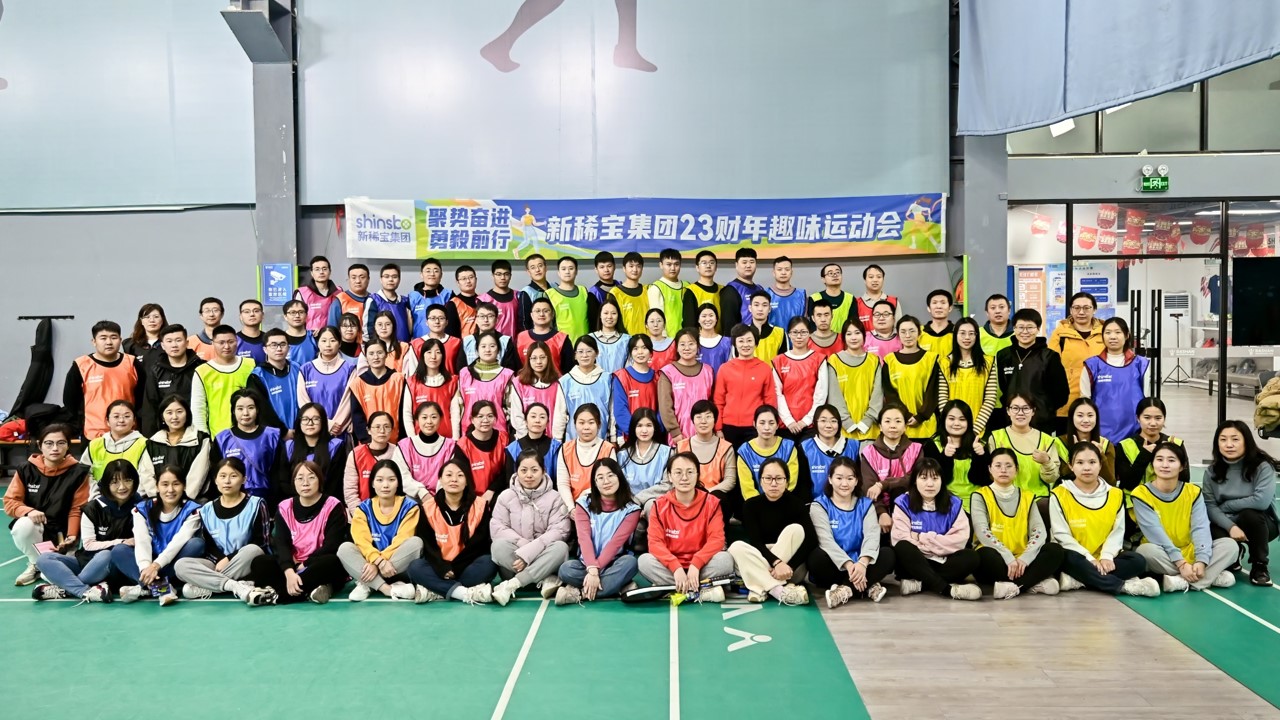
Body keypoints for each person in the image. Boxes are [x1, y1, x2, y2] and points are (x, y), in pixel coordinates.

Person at [1050, 442, 1160, 596]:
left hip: (1105, 557)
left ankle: (1078, 580)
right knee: (1066, 558)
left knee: (1137, 561)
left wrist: (1106, 556)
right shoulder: (1059, 494)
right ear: (1070, 466)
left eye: (1092, 462)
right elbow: (1061, 535)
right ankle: (1122, 586)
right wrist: (1089, 559)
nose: (1087, 468)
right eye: (1080, 463)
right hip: (1077, 556)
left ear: (1100, 464)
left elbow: (1117, 531)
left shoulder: (1115, 494)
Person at [1133, 442, 1238, 592]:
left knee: (1230, 545)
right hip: (1161, 551)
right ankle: (1208, 577)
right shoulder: (1141, 494)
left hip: (1190, 549)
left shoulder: (1193, 492)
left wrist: (1202, 560)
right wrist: (1181, 563)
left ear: (1182, 466)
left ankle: (1182, 581)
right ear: (1152, 464)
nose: (1165, 465)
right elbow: (1155, 533)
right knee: (1145, 551)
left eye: (1171, 460)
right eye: (1159, 459)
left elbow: (1200, 528)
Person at [31, 459, 140, 602]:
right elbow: (88, 545)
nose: (122, 487)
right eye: (115, 482)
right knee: (44, 559)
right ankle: (85, 591)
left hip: (116, 567)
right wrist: (121, 541)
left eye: (127, 480)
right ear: (106, 484)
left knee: (107, 554)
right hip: (87, 562)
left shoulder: (141, 506)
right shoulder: (92, 508)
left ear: (135, 481)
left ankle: (66, 589)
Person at [173, 458, 275, 604]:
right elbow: (209, 545)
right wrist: (220, 560)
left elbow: (262, 543)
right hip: (217, 564)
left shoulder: (256, 504)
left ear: (244, 479)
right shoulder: (206, 509)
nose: (227, 481)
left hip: (245, 562)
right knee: (181, 565)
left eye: (233, 476)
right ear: (216, 480)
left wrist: (228, 559)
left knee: (253, 550)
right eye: (222, 476)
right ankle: (234, 586)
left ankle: (208, 586)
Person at [246, 461, 349, 605]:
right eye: (300, 478)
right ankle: (310, 589)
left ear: (320, 480)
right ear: (294, 482)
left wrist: (304, 564)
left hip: (317, 562)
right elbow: (281, 543)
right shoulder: (284, 507)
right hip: (292, 564)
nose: (305, 483)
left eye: (311, 477)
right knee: (260, 563)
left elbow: (332, 544)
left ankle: (278, 595)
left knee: (332, 563)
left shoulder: (333, 505)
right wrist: (289, 570)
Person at [638, 452, 733, 603]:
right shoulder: (659, 505)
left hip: (702, 565)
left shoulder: (712, 503)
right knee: (644, 561)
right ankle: (700, 589)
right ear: (669, 476)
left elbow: (717, 539)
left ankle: (673, 588)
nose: (684, 478)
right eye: (678, 472)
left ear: (697, 475)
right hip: (671, 567)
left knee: (725, 560)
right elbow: (655, 543)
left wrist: (696, 564)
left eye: (690, 472)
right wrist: (675, 567)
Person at [971, 448, 1065, 599]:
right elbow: (982, 531)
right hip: (997, 558)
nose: (1003, 470)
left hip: (1022, 560)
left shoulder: (1027, 496)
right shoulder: (979, 495)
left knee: (1055, 550)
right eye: (998, 465)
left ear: (1016, 469)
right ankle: (1031, 583)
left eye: (1009, 466)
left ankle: (1013, 587)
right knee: (984, 555)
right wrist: (1008, 556)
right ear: (989, 469)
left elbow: (1039, 531)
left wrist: (1025, 558)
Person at [5, 424, 91, 587]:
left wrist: (71, 537)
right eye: (49, 443)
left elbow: (77, 509)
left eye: (61, 443)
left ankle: (47, 567)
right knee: (23, 525)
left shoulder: (79, 472)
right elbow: (10, 502)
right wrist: (28, 511)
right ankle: (36, 563)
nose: (55, 448)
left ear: (68, 445)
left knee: (52, 577)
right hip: (38, 529)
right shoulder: (26, 469)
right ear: (40, 445)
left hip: (62, 536)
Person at [406, 458, 498, 604]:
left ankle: (438, 590)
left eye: (460, 475)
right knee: (415, 567)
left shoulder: (480, 505)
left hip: (467, 566)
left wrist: (455, 568)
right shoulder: (429, 507)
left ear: (467, 481)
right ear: (440, 480)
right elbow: (428, 546)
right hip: (440, 567)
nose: (454, 479)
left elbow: (480, 545)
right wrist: (442, 567)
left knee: (489, 563)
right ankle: (464, 593)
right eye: (448, 475)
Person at [890, 458, 982, 600]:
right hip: (917, 561)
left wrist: (921, 537)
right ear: (915, 481)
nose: (930, 484)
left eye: (935, 478)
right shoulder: (903, 502)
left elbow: (959, 540)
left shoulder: (954, 503)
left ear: (942, 481)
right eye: (924, 478)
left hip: (945, 560)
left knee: (972, 556)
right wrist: (936, 545)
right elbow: (900, 537)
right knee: (903, 547)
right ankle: (948, 590)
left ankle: (920, 585)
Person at [807, 456, 894, 607]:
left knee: (889, 554)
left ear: (856, 480)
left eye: (850, 478)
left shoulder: (866, 505)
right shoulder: (819, 505)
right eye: (839, 478)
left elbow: (872, 536)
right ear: (830, 479)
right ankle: (867, 585)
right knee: (815, 557)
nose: (844, 483)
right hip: (835, 565)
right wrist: (848, 565)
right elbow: (825, 541)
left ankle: (845, 590)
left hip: (862, 564)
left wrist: (863, 563)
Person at [489, 449, 572, 605]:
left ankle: (514, 584)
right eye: (524, 470)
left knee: (561, 548)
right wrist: (525, 550)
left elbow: (559, 531)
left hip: (541, 554)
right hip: (517, 560)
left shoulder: (555, 497)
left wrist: (530, 553)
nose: (529, 475)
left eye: (534, 470)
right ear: (517, 471)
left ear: (543, 470)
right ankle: (544, 577)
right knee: (497, 546)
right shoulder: (506, 496)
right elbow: (498, 528)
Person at [112, 465, 204, 605]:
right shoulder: (142, 509)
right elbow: (142, 541)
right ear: (157, 487)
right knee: (119, 550)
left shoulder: (192, 510)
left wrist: (155, 567)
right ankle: (161, 587)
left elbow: (179, 542)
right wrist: (146, 568)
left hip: (172, 563)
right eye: (165, 484)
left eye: (176, 484)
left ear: (184, 486)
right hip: (149, 562)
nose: (170, 490)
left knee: (196, 544)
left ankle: (146, 587)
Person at [729, 457, 815, 605]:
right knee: (736, 547)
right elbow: (756, 542)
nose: (773, 483)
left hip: (790, 569)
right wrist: (776, 562)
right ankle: (778, 590)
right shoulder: (750, 506)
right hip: (763, 556)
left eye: (779, 479)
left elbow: (811, 540)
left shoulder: (797, 504)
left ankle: (758, 588)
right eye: (768, 478)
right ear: (761, 481)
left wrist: (787, 566)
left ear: (787, 481)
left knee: (795, 529)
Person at [1203, 420, 1279, 586]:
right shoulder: (1211, 471)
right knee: (1206, 524)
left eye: (1235, 439)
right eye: (1223, 439)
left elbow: (1260, 502)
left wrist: (1227, 507)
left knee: (1250, 515)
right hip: (1227, 521)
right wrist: (1231, 526)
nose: (1229, 444)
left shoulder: (1263, 467)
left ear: (1246, 441)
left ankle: (1259, 565)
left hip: (1261, 524)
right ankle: (1234, 554)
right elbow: (1210, 506)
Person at [337, 460, 425, 601]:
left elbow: (402, 540)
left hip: (397, 567)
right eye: (379, 480)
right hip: (372, 563)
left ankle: (367, 583)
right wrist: (378, 561)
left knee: (416, 543)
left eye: (391, 480)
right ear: (372, 483)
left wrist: (377, 564)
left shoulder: (410, 507)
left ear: (398, 482)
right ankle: (385, 588)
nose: (385, 485)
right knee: (344, 548)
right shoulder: (363, 509)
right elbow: (362, 542)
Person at [557, 457, 641, 604]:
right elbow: (584, 538)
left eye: (610, 475)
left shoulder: (632, 510)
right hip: (586, 564)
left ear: (619, 477)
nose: (606, 481)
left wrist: (595, 572)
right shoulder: (583, 504)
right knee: (566, 570)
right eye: (600, 478)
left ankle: (579, 594)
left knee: (631, 563)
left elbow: (615, 543)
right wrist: (592, 569)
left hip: (615, 562)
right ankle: (616, 585)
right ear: (594, 483)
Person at [988, 393, 1064, 517]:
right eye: (1015, 408)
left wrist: (1046, 462)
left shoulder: (1047, 440)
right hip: (1005, 498)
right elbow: (990, 476)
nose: (1020, 413)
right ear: (1008, 411)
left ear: (1033, 411)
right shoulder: (996, 438)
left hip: (1038, 499)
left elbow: (1052, 479)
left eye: (1025, 408)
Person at [993, 309, 1068, 433]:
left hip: (1041, 422)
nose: (1025, 332)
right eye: (1020, 327)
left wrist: (1044, 409)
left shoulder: (1050, 356)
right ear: (1014, 328)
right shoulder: (1004, 355)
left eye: (1030, 327)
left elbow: (1061, 394)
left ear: (1038, 329)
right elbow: (1004, 387)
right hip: (1011, 421)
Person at [64, 320, 140, 440]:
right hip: (93, 434)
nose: (109, 342)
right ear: (94, 341)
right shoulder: (81, 365)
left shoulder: (132, 363)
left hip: (128, 433)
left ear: (120, 340)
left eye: (113, 337)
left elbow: (142, 398)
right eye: (103, 338)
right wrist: (82, 422)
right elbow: (70, 400)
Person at [1081, 317, 1150, 443]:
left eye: (1118, 332)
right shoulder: (1092, 365)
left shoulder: (1141, 364)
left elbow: (1147, 401)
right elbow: (1084, 401)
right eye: (1108, 333)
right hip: (1101, 434)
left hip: (1134, 433)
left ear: (1127, 335)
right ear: (1102, 336)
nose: (1113, 337)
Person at [859, 404, 922, 534]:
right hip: (877, 509)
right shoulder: (869, 452)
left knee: (899, 491)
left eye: (898, 421)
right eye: (887, 421)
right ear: (880, 427)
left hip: (910, 508)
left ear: (905, 426)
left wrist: (883, 484)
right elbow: (868, 488)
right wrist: (881, 512)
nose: (893, 426)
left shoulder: (916, 449)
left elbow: (916, 480)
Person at [210, 389, 282, 501]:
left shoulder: (272, 436)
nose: (245, 413)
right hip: (232, 499)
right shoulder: (222, 439)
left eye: (250, 407)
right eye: (240, 408)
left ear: (257, 410)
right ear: (233, 411)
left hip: (266, 498)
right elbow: (215, 474)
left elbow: (279, 473)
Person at [1049, 292, 1105, 434]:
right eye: (1077, 308)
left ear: (1094, 310)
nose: (1081, 312)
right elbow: (1051, 367)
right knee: (1066, 442)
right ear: (1070, 310)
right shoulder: (1060, 334)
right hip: (1067, 402)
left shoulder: (1105, 333)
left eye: (1086, 308)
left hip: (1100, 401)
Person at [191, 325, 257, 438]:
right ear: (213, 343)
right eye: (221, 343)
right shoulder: (202, 371)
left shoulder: (251, 365)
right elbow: (198, 408)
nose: (226, 346)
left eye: (231, 342)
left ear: (237, 341)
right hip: (219, 436)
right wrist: (203, 437)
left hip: (251, 434)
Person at [713, 325, 773, 448]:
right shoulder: (725, 369)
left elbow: (770, 401)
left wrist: (768, 425)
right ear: (735, 343)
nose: (745, 345)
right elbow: (718, 400)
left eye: (749, 340)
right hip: (728, 426)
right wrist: (718, 428)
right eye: (741, 341)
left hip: (755, 427)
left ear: (756, 343)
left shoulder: (765, 369)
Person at [922, 400, 988, 512]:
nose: (956, 423)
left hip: (976, 501)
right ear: (944, 420)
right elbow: (936, 481)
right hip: (944, 501)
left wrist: (980, 456)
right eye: (951, 419)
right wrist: (946, 457)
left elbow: (980, 480)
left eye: (962, 419)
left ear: (969, 422)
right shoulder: (932, 445)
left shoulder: (978, 445)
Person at [676, 401, 738, 518]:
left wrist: (708, 492)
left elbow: (730, 480)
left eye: (708, 417)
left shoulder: (726, 447)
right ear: (693, 420)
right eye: (699, 417)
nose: (703, 421)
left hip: (715, 496)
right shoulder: (681, 446)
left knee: (719, 498)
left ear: (715, 420)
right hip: (688, 494)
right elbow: (674, 476)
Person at [937, 318, 998, 437]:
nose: (967, 337)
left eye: (971, 333)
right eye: (962, 333)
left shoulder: (988, 362)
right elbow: (942, 398)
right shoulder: (944, 363)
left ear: (977, 336)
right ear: (955, 335)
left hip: (977, 431)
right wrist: (952, 425)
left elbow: (990, 399)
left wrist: (974, 430)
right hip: (951, 431)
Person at [336, 340, 406, 442]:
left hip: (397, 441)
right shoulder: (358, 384)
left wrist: (402, 440)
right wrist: (368, 441)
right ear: (366, 357)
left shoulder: (399, 379)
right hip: (369, 443)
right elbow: (357, 417)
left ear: (386, 354)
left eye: (379, 353)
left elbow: (404, 411)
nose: (376, 357)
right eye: (371, 353)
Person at [140, 323, 204, 436]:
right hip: (167, 432)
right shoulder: (156, 371)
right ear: (163, 345)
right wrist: (150, 438)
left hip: (197, 430)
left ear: (187, 343)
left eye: (178, 340)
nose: (174, 345)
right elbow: (150, 408)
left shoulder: (201, 368)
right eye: (169, 341)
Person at [1116, 398, 1186, 500]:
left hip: (1168, 502)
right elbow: (1128, 484)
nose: (1153, 423)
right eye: (1147, 418)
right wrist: (1144, 455)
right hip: (1134, 503)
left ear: (1164, 418)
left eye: (1158, 418)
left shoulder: (1175, 444)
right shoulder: (1124, 445)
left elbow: (1184, 481)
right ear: (1138, 418)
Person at [145, 395, 212, 500]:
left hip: (191, 502)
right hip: (159, 502)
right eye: (169, 413)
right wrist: (160, 499)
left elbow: (198, 476)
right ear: (162, 416)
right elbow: (147, 476)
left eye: (179, 412)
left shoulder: (201, 440)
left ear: (187, 414)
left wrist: (184, 500)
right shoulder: (152, 443)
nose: (175, 417)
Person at [826, 317, 884, 441]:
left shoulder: (874, 360)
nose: (853, 337)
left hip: (870, 429)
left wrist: (867, 421)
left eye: (857, 333)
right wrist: (847, 422)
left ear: (864, 335)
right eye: (849, 334)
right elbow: (834, 396)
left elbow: (878, 394)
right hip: (843, 430)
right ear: (844, 337)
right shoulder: (834, 361)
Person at [882, 316, 940, 439]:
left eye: (912, 331)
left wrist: (921, 416)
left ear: (919, 333)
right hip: (900, 424)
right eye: (903, 332)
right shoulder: (889, 360)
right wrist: (905, 415)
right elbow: (890, 394)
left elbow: (933, 392)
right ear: (898, 334)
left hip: (927, 425)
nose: (908, 335)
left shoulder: (931, 359)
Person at [345, 411, 414, 513]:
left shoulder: (399, 452)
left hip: (395, 512)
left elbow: (405, 485)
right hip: (363, 511)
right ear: (368, 430)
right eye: (377, 427)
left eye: (386, 427)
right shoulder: (356, 454)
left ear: (392, 430)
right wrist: (361, 514)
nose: (382, 431)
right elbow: (350, 491)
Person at [451, 330, 515, 437]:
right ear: (477, 350)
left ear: (499, 350)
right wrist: (456, 436)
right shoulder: (465, 373)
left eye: (492, 346)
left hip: (498, 434)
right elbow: (458, 408)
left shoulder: (507, 375)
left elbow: (512, 409)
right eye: (483, 346)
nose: (488, 350)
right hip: (468, 433)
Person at [772, 317, 828, 439]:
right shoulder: (778, 361)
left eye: (803, 332)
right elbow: (777, 394)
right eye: (795, 332)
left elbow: (821, 395)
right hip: (785, 425)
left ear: (810, 334)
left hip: (811, 425)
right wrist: (789, 421)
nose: (799, 336)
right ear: (789, 334)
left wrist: (806, 421)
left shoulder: (819, 359)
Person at [555, 404, 617, 510]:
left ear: (599, 424)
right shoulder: (565, 449)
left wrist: (584, 498)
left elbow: (610, 482)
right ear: (574, 424)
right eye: (581, 423)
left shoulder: (608, 449)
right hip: (572, 506)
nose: (586, 427)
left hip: (600, 506)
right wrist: (571, 508)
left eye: (591, 422)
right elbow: (563, 483)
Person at [81, 400, 153, 492]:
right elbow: (84, 474)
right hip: (99, 496)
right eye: (116, 416)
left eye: (127, 416)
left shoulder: (144, 444)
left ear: (134, 421)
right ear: (107, 421)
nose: (121, 420)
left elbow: (146, 477)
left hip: (133, 497)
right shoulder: (95, 445)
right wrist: (96, 495)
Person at [280, 403, 348, 499]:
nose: (310, 423)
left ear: (323, 421)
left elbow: (336, 482)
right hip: (295, 501)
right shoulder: (290, 446)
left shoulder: (335, 446)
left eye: (315, 419)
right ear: (299, 422)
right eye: (305, 419)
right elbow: (283, 480)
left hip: (326, 501)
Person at [658, 329, 714, 445]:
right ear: (677, 348)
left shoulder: (708, 371)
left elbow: (713, 402)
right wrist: (675, 432)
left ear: (697, 346)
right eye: (682, 344)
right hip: (679, 436)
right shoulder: (668, 372)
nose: (687, 348)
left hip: (705, 434)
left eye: (691, 344)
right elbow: (665, 406)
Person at [553, 336, 613, 441]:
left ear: (597, 353)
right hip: (573, 441)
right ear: (575, 355)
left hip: (602, 440)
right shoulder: (565, 382)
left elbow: (612, 412)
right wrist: (557, 440)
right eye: (580, 352)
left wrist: (613, 437)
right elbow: (560, 415)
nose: (584, 355)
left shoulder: (608, 379)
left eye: (589, 351)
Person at [299, 326, 357, 431]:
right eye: (324, 340)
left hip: (339, 430)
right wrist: (323, 424)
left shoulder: (349, 369)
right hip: (313, 430)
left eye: (332, 340)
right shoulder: (306, 370)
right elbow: (303, 402)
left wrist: (336, 425)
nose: (328, 345)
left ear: (339, 343)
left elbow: (348, 402)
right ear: (318, 343)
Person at [736, 406, 800, 501]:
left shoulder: (788, 447)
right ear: (754, 424)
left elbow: (790, 481)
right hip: (755, 504)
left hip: (783, 501)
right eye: (762, 423)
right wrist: (762, 505)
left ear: (777, 425)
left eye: (771, 423)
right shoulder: (745, 451)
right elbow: (747, 489)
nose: (767, 428)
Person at [799, 405, 862, 498]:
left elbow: (859, 480)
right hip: (816, 503)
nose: (828, 425)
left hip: (848, 502)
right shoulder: (806, 447)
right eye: (823, 421)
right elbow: (803, 485)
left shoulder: (853, 446)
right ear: (815, 423)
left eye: (833, 421)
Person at [403, 337, 458, 439]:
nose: (433, 356)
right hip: (419, 439)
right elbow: (407, 414)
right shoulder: (412, 382)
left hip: (446, 439)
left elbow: (455, 414)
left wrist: (455, 440)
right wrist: (412, 440)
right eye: (429, 352)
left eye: (438, 352)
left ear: (443, 356)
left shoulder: (452, 381)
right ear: (422, 355)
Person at [618, 409, 673, 509]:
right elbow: (619, 484)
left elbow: (667, 485)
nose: (644, 430)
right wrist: (631, 504)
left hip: (657, 502)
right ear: (633, 428)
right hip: (627, 504)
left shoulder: (667, 453)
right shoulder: (622, 455)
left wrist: (638, 499)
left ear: (655, 427)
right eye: (639, 426)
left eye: (649, 425)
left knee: (651, 506)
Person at [456, 401, 511, 502]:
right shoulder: (463, 445)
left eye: (490, 416)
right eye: (480, 416)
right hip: (472, 498)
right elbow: (462, 477)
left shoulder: (505, 439)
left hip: (500, 494)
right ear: (472, 420)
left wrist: (491, 491)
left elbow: (508, 471)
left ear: (495, 419)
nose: (485, 420)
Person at [611, 335, 661, 444]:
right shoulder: (622, 377)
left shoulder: (658, 377)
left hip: (654, 436)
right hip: (629, 436)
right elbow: (620, 410)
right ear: (630, 353)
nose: (640, 352)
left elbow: (662, 409)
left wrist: (653, 430)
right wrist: (636, 432)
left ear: (651, 352)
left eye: (644, 348)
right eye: (635, 348)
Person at [1055, 398, 1117, 486]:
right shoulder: (1057, 443)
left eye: (1090, 415)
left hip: (1098, 493)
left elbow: (1111, 482)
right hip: (1067, 492)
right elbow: (1059, 480)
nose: (1086, 420)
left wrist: (1101, 456)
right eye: (1080, 415)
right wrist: (1075, 453)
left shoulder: (1105, 444)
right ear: (1072, 417)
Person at [252, 329, 303, 430]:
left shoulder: (298, 368)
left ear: (289, 348)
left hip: (301, 430)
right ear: (265, 349)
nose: (279, 349)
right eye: (273, 345)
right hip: (273, 432)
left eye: (283, 344)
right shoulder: (258, 375)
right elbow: (261, 408)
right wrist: (282, 432)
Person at [509, 341, 561, 439]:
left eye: (542, 357)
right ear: (528, 359)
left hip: (552, 438)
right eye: (534, 358)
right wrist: (527, 439)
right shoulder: (518, 383)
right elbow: (516, 415)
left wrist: (556, 439)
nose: (538, 362)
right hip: (526, 439)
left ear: (548, 358)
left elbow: (560, 414)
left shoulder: (558, 382)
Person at [505, 402, 562, 486]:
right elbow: (509, 481)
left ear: (547, 422)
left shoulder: (556, 447)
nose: (537, 420)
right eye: (533, 416)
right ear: (525, 421)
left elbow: (560, 480)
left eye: (542, 417)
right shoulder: (513, 448)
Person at [546, 256, 600, 342]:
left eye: (571, 268)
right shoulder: (550, 294)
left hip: (585, 344)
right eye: (563, 269)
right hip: (561, 344)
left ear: (576, 271)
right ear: (558, 272)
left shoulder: (584, 291)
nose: (567, 272)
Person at [516, 297, 573, 373]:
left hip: (556, 380)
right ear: (531, 315)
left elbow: (568, 369)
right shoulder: (521, 338)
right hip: (526, 380)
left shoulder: (562, 339)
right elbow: (516, 367)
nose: (541, 314)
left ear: (552, 314)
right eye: (537, 311)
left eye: (546, 311)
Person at [463, 301, 520, 370]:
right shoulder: (467, 341)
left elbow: (511, 368)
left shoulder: (505, 341)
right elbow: (461, 368)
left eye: (490, 316)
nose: (486, 320)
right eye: (482, 316)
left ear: (496, 320)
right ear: (476, 320)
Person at [363, 263, 412, 343]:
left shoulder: (404, 301)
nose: (390, 280)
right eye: (386, 276)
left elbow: (410, 326)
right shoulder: (374, 300)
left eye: (394, 277)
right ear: (381, 279)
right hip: (381, 347)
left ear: (399, 280)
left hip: (403, 347)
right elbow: (368, 329)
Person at [719, 247, 765, 329]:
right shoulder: (731, 290)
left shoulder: (760, 289)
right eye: (744, 262)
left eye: (752, 262)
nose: (748, 265)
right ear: (736, 265)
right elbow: (728, 325)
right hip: (741, 336)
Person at [408, 258, 453, 340]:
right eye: (428, 271)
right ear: (421, 275)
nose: (432, 274)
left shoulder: (448, 295)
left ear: (441, 275)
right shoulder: (412, 297)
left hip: (444, 343)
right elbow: (408, 324)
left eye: (436, 271)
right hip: (419, 343)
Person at [648, 248, 689, 338]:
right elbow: (656, 319)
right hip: (667, 339)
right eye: (669, 264)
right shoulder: (656, 288)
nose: (673, 268)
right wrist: (664, 339)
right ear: (661, 265)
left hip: (686, 338)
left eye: (676, 264)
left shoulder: (687, 286)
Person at [295, 255, 341, 332]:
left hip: (334, 336)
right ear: (312, 273)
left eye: (324, 269)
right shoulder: (302, 293)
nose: (321, 272)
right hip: (310, 336)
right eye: (317, 269)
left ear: (330, 272)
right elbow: (297, 319)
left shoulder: (339, 292)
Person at [590, 296, 630, 376]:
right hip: (595, 382)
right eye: (606, 313)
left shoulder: (627, 340)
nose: (609, 317)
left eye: (613, 313)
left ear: (618, 316)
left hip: (620, 381)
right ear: (600, 315)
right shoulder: (590, 339)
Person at [327, 263, 372, 336]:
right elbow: (332, 330)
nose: (358, 281)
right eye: (354, 278)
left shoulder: (374, 300)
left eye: (362, 277)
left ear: (368, 279)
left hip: (371, 342)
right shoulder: (340, 301)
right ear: (348, 280)